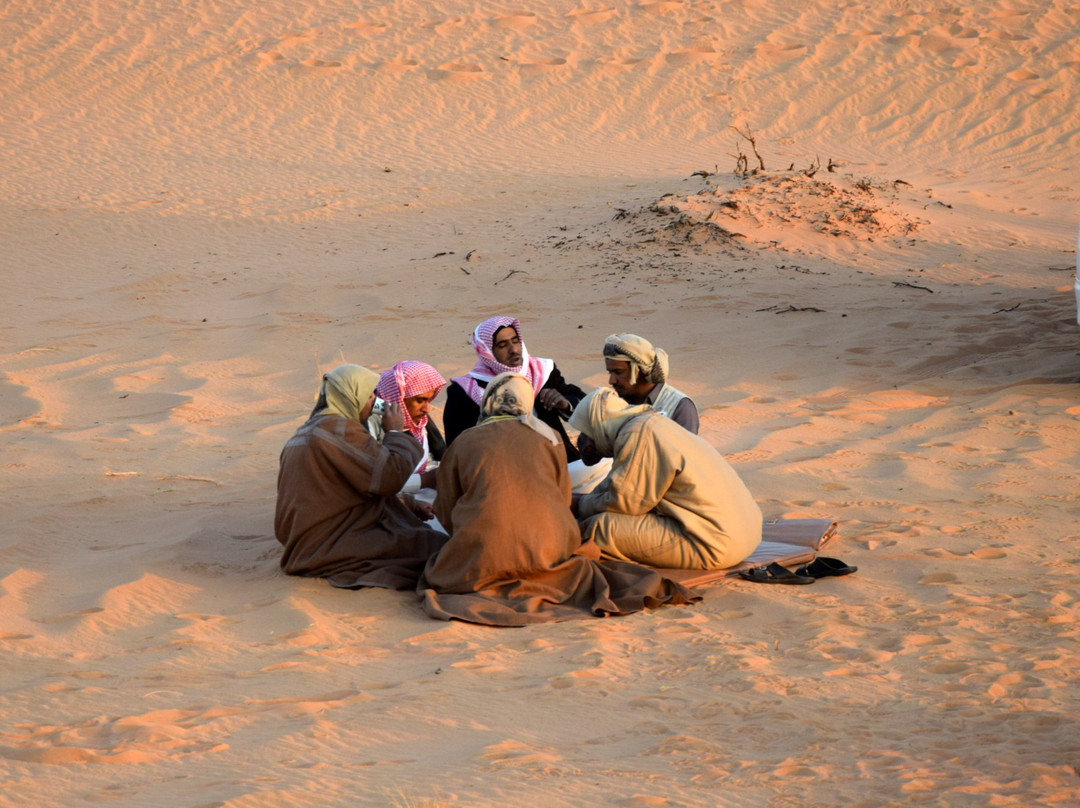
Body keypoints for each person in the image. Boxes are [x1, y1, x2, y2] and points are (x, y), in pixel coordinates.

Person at [418, 373, 698, 625]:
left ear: (488, 401)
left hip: (482, 558)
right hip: (550, 551)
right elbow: (562, 499)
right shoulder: (550, 436)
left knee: (438, 571)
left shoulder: (464, 441)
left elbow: (447, 506)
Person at [274, 364, 447, 590]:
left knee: (420, 538)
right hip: (328, 544)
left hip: (304, 543)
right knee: (437, 550)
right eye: (370, 396)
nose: (375, 401)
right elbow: (389, 478)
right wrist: (395, 432)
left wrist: (410, 504)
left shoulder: (306, 432)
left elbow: (347, 490)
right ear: (352, 397)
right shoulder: (340, 430)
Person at [569, 387, 762, 570]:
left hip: (715, 544)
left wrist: (579, 505)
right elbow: (619, 485)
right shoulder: (652, 424)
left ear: (599, 425)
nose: (584, 441)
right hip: (747, 535)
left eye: (587, 431)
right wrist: (585, 500)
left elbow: (625, 503)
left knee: (599, 529)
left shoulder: (637, 433)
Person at [444, 316, 585, 461]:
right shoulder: (464, 391)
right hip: (504, 471)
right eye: (503, 345)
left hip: (559, 460)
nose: (514, 350)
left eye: (515, 341)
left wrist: (564, 404)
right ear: (487, 352)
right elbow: (457, 448)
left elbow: (586, 405)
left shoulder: (541, 372)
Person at [368, 360, 447, 519]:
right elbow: (372, 482)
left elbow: (443, 454)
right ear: (398, 397)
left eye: (428, 400)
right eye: (420, 400)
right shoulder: (371, 424)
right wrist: (424, 481)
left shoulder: (419, 421)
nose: (426, 409)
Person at [602, 333, 699, 433]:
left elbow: (684, 448)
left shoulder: (679, 407)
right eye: (610, 372)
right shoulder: (613, 403)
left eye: (618, 372)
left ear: (640, 370)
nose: (612, 381)